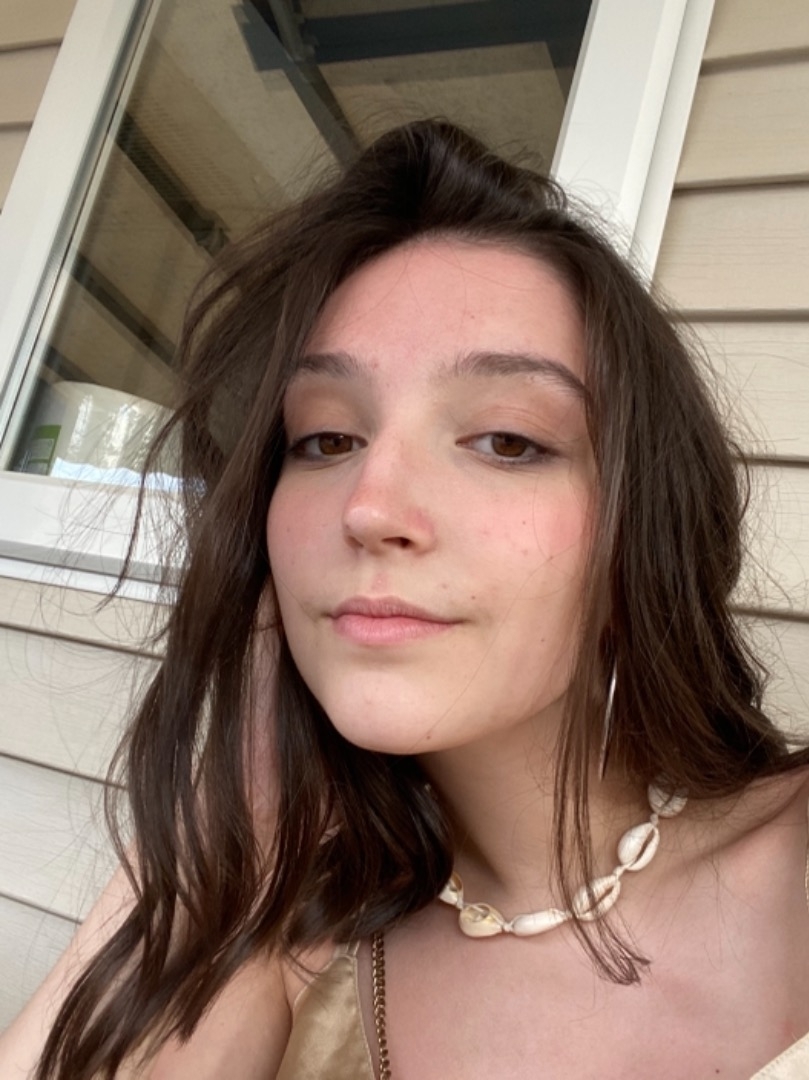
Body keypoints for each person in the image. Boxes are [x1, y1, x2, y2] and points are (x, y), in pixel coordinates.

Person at [2, 119, 809, 1080]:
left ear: (646, 527)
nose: (369, 506)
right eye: (325, 440)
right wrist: (231, 827)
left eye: (507, 440)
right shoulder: (300, 965)